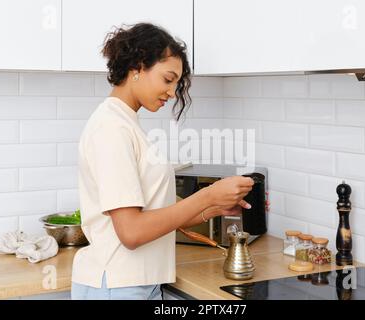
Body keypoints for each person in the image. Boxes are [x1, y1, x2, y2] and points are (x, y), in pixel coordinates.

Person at [71, 22, 255, 300]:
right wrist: (207, 195)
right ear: (138, 66)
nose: (172, 92)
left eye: (176, 84)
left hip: (134, 283)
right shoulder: (111, 129)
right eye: (168, 79)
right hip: (117, 285)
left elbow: (159, 211)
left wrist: (214, 206)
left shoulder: (126, 123)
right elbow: (131, 232)